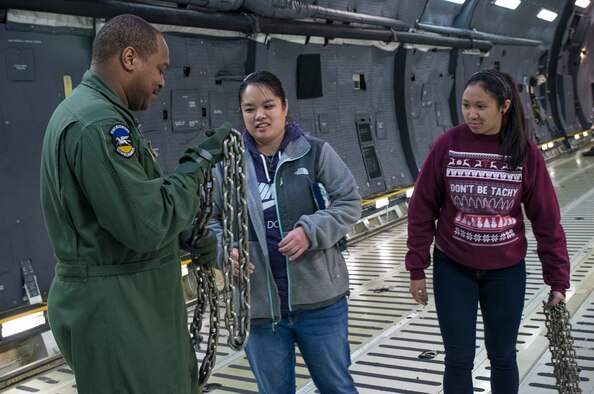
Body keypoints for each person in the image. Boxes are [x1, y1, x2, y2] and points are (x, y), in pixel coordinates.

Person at [39, 14, 231, 394]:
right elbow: (146, 225)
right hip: (120, 314)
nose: (162, 81)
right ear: (130, 58)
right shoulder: (98, 125)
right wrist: (195, 167)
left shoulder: (100, 114)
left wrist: (185, 236)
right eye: (159, 68)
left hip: (135, 306)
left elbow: (119, 219)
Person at [405, 69, 571, 393]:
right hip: (453, 267)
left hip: (506, 271)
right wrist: (417, 267)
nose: (471, 114)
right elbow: (422, 208)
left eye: (481, 106)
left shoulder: (524, 154)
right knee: (458, 358)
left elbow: (547, 221)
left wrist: (558, 279)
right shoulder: (447, 146)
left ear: (504, 106)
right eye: (466, 105)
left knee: (503, 355)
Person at [208, 70, 362, 394]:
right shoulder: (227, 166)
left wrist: (311, 230)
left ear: (284, 106)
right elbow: (210, 220)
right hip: (259, 308)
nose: (259, 116)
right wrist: (226, 250)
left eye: (268, 106)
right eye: (250, 109)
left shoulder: (315, 152)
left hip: (321, 302)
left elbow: (348, 202)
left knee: (337, 387)